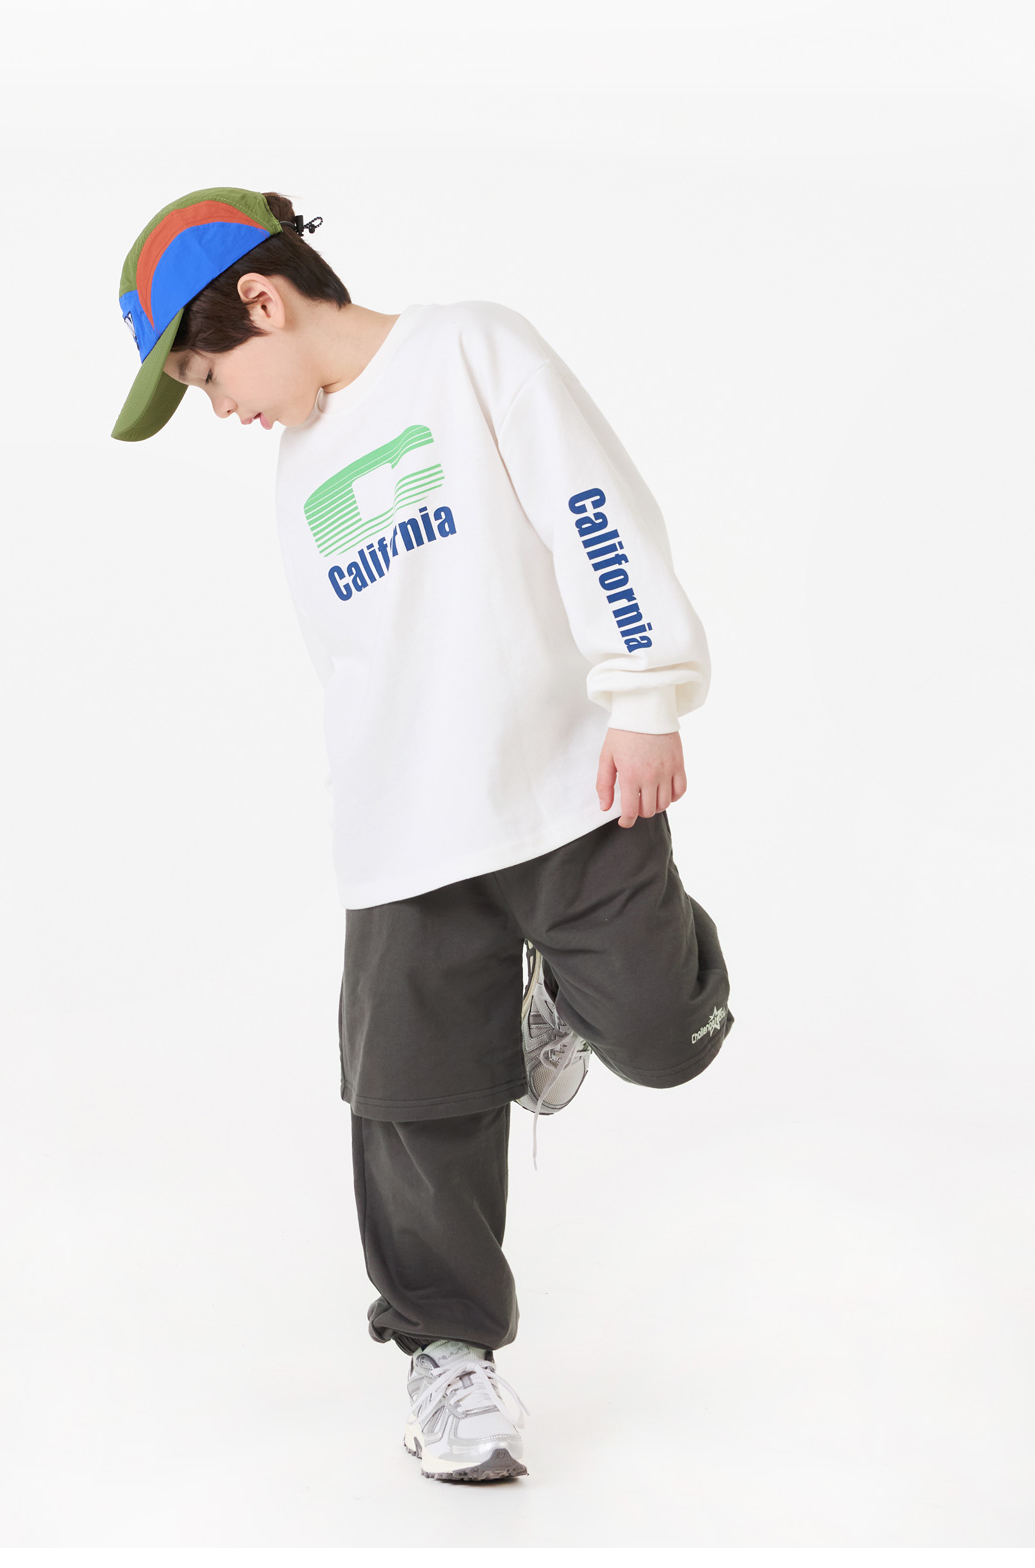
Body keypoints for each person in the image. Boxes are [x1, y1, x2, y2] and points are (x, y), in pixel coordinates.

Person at [111, 185, 734, 1484]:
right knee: (412, 1107)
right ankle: (449, 1359)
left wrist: (645, 688)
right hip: (408, 837)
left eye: (206, 374)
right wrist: (373, 825)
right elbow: (364, 667)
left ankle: (561, 991)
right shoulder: (298, 467)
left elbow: (595, 510)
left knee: (665, 1037)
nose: (217, 407)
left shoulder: (468, 349)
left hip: (570, 789)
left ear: (262, 301)